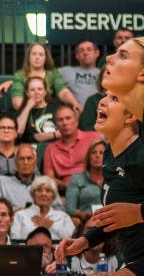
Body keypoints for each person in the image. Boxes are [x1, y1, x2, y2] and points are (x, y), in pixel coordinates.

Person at [55, 91, 144, 275]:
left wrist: (139, 212)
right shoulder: (110, 154)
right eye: (104, 96)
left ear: (132, 115)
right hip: (134, 257)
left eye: (114, 98)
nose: (101, 102)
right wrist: (85, 241)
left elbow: (131, 213)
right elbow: (116, 218)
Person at [42, 104, 103, 192]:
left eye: (68, 118)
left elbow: (107, 166)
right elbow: (49, 179)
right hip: (66, 191)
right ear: (56, 126)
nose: (65, 123)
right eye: (60, 120)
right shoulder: (51, 149)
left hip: (94, 186)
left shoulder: (93, 138)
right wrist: (68, 185)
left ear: (76, 121)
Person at [10, 176, 76, 241]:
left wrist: (51, 225)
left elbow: (72, 239)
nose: (43, 194)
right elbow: (15, 241)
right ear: (33, 194)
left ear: (53, 196)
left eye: (48, 190)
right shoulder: (20, 215)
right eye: (39, 190)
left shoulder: (63, 217)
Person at [64, 138, 106, 232]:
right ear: (88, 157)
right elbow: (70, 208)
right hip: (85, 221)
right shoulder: (77, 179)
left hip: (108, 221)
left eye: (101, 153)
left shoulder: (112, 179)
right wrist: (82, 214)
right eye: (94, 152)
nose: (97, 156)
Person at [0, 143, 41, 211]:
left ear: (35, 162)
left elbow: (57, 210)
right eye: (21, 159)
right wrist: (14, 214)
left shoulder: (45, 183)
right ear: (15, 162)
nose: (25, 162)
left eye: (29, 158)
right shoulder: (2, 182)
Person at [15, 76, 63, 144]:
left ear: (45, 92)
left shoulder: (56, 107)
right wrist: (28, 108)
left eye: (40, 89)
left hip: (55, 148)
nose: (36, 92)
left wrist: (52, 135)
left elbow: (70, 131)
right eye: (32, 90)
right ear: (27, 93)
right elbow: (18, 132)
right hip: (32, 150)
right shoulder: (23, 111)